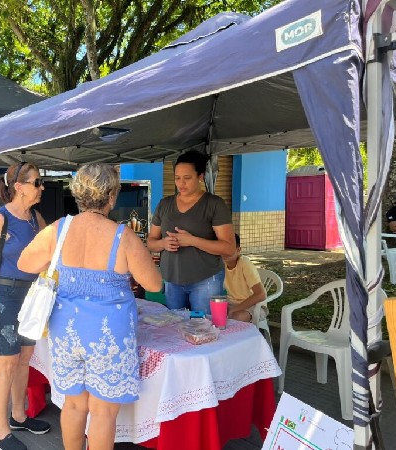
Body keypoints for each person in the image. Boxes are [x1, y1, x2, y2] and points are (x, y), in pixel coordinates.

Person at [18, 163, 162, 450]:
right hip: (109, 335)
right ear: (112, 196)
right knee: (103, 413)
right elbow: (154, 284)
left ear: (78, 194)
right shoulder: (123, 236)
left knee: (73, 405)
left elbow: (24, 263)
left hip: (66, 332)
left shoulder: (58, 229)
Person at [0, 162, 50, 450]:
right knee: (6, 362)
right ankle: (0, 431)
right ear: (19, 187)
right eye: (36, 182)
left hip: (31, 297)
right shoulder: (0, 218)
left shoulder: (36, 218)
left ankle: (18, 416)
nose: (41, 187)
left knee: (24, 358)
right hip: (5, 296)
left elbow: (48, 254)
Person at [147, 151, 235, 313]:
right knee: (176, 326)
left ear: (200, 176)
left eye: (187, 178)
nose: (181, 183)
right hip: (172, 280)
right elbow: (151, 242)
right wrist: (163, 243)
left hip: (205, 280)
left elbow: (229, 248)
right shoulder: (164, 204)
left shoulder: (214, 204)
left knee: (203, 326)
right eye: (177, 178)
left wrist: (192, 241)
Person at [222, 233, 267, 322]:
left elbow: (261, 294)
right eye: (222, 249)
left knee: (237, 317)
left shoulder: (244, 264)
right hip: (231, 303)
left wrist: (233, 310)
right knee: (210, 311)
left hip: (254, 305)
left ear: (238, 250)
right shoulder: (221, 263)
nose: (225, 252)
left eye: (228, 249)